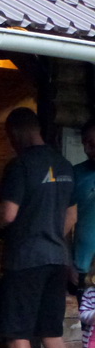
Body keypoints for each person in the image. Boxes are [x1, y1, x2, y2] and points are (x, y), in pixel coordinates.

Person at [0, 108, 75, 348]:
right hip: (56, 257)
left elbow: (8, 214)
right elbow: (72, 216)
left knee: (18, 334)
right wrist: (51, 235)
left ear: (16, 133)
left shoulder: (20, 165)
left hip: (26, 259)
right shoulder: (64, 165)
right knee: (52, 334)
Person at [67, 118, 95, 298]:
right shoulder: (76, 174)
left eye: (92, 142)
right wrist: (68, 263)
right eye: (85, 143)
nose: (87, 149)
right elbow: (64, 223)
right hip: (82, 268)